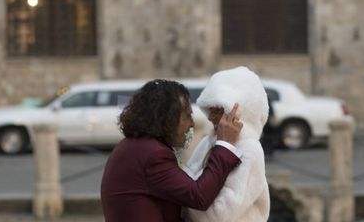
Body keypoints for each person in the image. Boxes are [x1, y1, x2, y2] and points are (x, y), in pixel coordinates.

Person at [101, 79, 243, 222]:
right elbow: (200, 196)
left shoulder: (134, 146)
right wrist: (224, 144)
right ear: (167, 117)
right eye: (187, 116)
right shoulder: (153, 155)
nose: (192, 124)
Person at [184, 66, 270, 222]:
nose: (210, 117)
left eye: (217, 110)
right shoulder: (207, 142)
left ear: (237, 112)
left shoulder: (249, 150)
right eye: (209, 109)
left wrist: (187, 195)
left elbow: (217, 216)